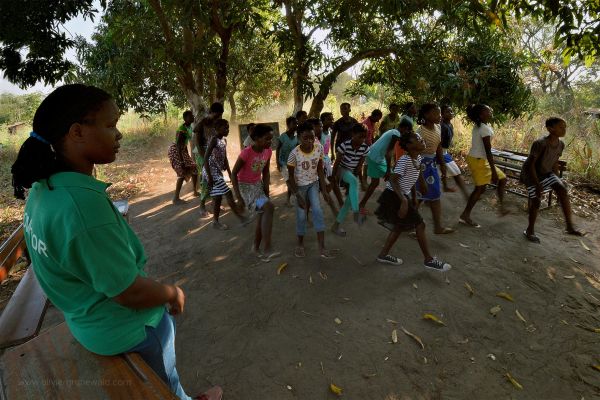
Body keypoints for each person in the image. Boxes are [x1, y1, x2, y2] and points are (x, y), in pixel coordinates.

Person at [10, 84, 222, 400]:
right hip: (124, 329)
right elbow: (129, 292)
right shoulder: (83, 208)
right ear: (77, 132)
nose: (119, 134)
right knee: (163, 382)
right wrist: (172, 292)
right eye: (110, 125)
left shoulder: (44, 190)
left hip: (86, 322)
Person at [374, 130, 452, 272]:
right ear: (409, 145)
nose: (422, 140)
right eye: (418, 139)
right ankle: (428, 260)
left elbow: (418, 175)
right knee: (420, 225)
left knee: (399, 227)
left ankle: (383, 255)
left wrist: (416, 196)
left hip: (402, 195)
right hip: (394, 196)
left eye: (422, 138)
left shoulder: (418, 158)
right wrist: (404, 200)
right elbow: (393, 179)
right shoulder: (405, 160)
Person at [520, 117, 582, 242]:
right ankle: (529, 230)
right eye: (560, 127)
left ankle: (569, 226)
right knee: (536, 200)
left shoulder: (561, 144)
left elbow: (554, 162)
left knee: (562, 189)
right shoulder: (540, 143)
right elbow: (531, 165)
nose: (564, 129)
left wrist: (558, 179)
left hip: (546, 173)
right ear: (550, 129)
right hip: (531, 175)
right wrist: (537, 184)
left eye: (565, 127)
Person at [287, 122, 335, 259]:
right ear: (299, 138)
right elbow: (290, 178)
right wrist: (297, 195)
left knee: (318, 211)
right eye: (305, 138)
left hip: (313, 184)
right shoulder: (294, 154)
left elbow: (320, 169)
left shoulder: (318, 148)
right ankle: (300, 244)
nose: (309, 141)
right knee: (302, 215)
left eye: (312, 137)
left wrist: (324, 190)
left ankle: (322, 246)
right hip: (300, 187)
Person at [231, 124, 279, 259]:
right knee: (268, 208)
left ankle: (256, 247)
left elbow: (266, 171)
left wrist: (266, 191)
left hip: (257, 186)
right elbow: (234, 174)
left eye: (271, 139)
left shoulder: (268, 151)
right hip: (245, 187)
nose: (270, 142)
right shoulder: (246, 153)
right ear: (256, 138)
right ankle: (268, 248)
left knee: (263, 213)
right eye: (267, 139)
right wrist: (239, 198)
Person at [459, 104, 508, 228]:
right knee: (480, 189)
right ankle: (465, 215)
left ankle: (501, 207)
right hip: (478, 160)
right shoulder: (483, 128)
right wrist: (493, 170)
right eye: (488, 110)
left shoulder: (481, 126)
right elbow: (488, 151)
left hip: (480, 159)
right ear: (481, 114)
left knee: (502, 179)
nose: (491, 111)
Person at [415, 103, 454, 234]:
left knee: (431, 196)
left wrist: (442, 165)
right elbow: (415, 156)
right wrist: (420, 177)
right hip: (421, 167)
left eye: (439, 113)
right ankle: (409, 225)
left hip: (431, 165)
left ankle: (436, 227)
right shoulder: (420, 132)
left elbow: (438, 147)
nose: (439, 116)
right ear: (426, 115)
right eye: (436, 113)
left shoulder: (438, 127)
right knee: (420, 198)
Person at [202, 119, 246, 230]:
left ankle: (215, 222)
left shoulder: (224, 140)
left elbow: (225, 158)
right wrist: (210, 176)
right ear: (216, 129)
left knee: (217, 198)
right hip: (210, 171)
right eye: (225, 128)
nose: (227, 130)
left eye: (228, 128)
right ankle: (241, 217)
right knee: (228, 193)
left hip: (217, 171)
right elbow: (205, 159)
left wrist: (231, 174)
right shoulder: (214, 140)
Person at [358, 120, 408, 214]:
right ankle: (398, 205)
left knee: (378, 182)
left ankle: (363, 205)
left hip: (374, 156)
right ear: (404, 128)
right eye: (407, 131)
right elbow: (389, 153)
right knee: (390, 180)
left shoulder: (392, 131)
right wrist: (388, 169)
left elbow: (389, 151)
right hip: (376, 158)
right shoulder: (396, 133)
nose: (406, 133)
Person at [331, 123, 370, 236]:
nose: (362, 139)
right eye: (360, 136)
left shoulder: (365, 148)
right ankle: (356, 212)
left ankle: (336, 226)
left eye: (364, 137)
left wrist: (363, 181)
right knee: (354, 181)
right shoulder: (345, 145)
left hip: (352, 172)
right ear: (353, 134)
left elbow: (359, 167)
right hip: (341, 170)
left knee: (348, 201)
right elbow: (337, 163)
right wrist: (333, 178)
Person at [194, 102, 224, 216]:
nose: (218, 117)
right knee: (206, 180)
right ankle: (202, 206)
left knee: (216, 178)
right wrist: (203, 159)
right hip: (203, 155)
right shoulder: (203, 122)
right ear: (211, 112)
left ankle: (213, 203)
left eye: (220, 115)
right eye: (217, 114)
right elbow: (197, 140)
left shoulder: (216, 123)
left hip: (213, 155)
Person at [168, 110, 199, 204]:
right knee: (181, 172)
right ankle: (175, 198)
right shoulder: (182, 130)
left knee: (194, 168)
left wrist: (187, 157)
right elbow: (178, 146)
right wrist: (182, 162)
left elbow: (184, 145)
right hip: (175, 151)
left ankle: (195, 191)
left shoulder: (188, 127)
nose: (193, 117)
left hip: (181, 150)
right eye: (191, 116)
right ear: (185, 118)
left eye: (193, 116)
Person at [440, 105, 469, 198]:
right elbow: (439, 143)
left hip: (445, 153)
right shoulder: (442, 126)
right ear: (442, 114)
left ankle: (466, 195)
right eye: (448, 112)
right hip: (439, 153)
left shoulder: (450, 125)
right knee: (434, 178)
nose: (451, 113)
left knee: (456, 172)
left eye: (452, 111)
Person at [276, 116, 298, 207]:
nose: (296, 125)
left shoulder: (297, 138)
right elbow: (277, 149)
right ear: (288, 125)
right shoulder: (283, 136)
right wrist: (277, 162)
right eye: (294, 123)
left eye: (296, 123)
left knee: (291, 180)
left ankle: (288, 200)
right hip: (283, 162)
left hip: (292, 163)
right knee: (289, 180)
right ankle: (296, 196)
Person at [360, 109, 383, 189]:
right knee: (365, 164)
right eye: (378, 118)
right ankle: (363, 182)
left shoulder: (372, 123)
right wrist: (371, 147)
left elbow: (371, 136)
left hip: (368, 146)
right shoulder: (366, 124)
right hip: (363, 146)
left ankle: (364, 181)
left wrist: (373, 145)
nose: (378, 120)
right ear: (375, 116)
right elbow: (365, 138)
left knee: (366, 164)